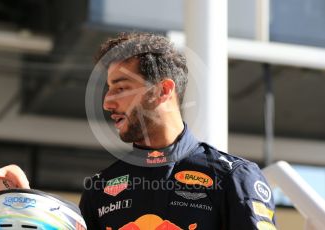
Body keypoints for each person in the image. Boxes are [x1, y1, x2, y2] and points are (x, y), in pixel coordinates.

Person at [80, 33, 277, 230]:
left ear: (163, 90)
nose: (107, 103)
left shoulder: (233, 177)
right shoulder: (99, 189)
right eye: (109, 89)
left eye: (121, 88)